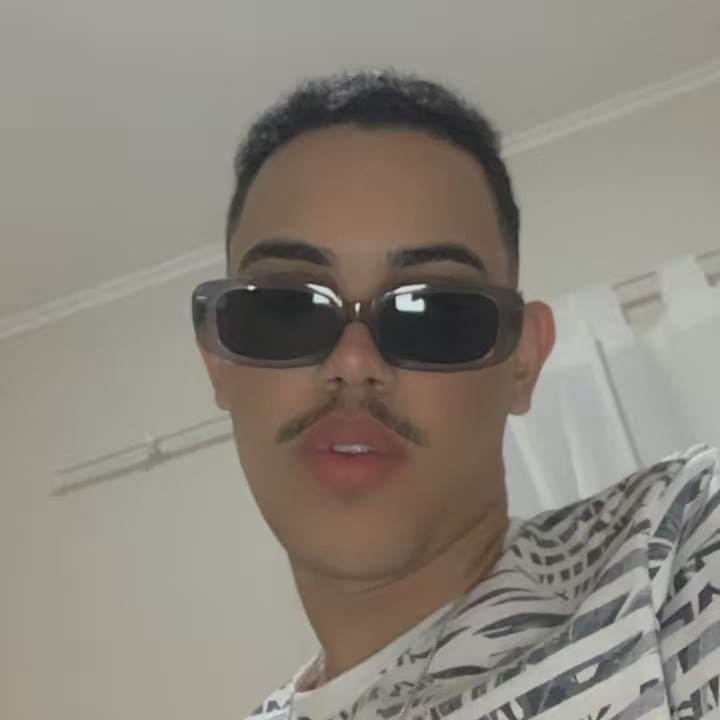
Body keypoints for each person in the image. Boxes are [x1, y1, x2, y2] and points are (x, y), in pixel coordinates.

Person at [193, 71, 720, 720]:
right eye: (285, 309)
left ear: (522, 361)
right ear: (218, 361)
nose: (353, 363)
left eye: (434, 312)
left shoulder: (683, 546)